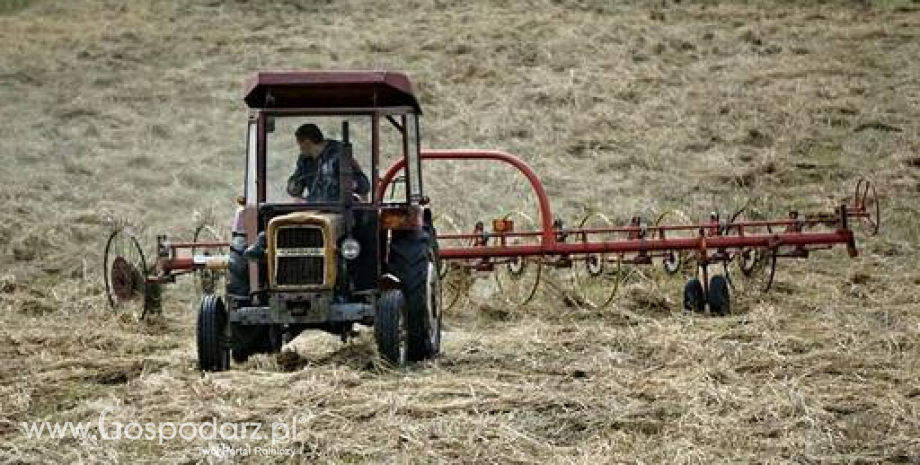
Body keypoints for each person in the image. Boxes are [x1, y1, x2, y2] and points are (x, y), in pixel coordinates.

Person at [286, 123, 371, 202]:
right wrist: (293, 186)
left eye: (300, 144)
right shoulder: (304, 161)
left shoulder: (339, 155)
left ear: (307, 142)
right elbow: (296, 186)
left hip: (338, 210)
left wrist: (351, 183)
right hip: (314, 209)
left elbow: (363, 186)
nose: (300, 149)